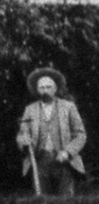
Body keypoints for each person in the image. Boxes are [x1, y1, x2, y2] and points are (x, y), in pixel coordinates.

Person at [16, 67, 87, 196]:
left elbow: (80, 134)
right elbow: (22, 134)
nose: (45, 91)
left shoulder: (68, 107)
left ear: (55, 88)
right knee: (42, 202)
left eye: (48, 87)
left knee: (66, 202)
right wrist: (23, 142)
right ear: (37, 90)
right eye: (42, 87)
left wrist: (68, 152)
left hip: (65, 162)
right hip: (40, 162)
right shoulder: (30, 110)